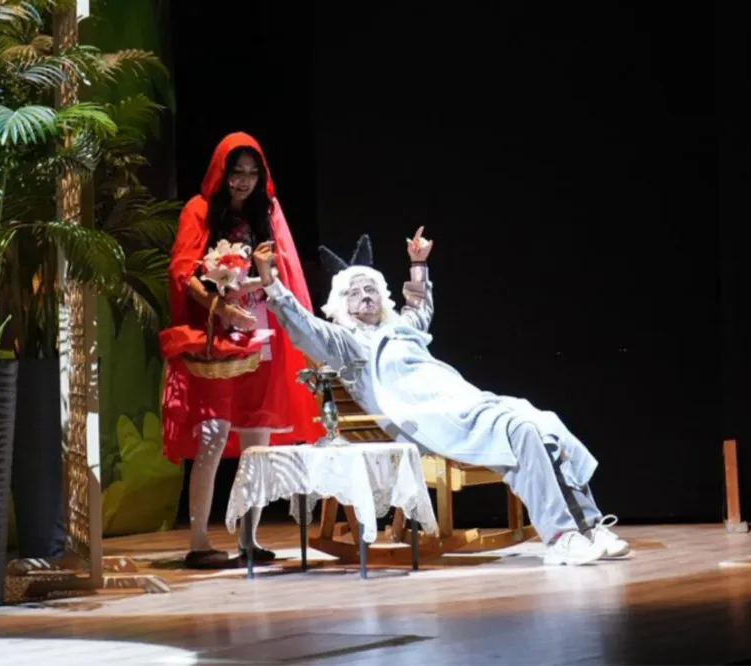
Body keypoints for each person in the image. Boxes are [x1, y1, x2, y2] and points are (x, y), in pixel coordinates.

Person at [250, 228, 631, 566]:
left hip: (461, 401)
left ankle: (589, 526)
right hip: (426, 419)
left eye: (371, 289)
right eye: (354, 292)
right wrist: (269, 279)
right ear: (340, 303)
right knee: (522, 430)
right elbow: (302, 325)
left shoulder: (401, 328)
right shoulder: (345, 343)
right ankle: (562, 537)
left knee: (541, 423)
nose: (365, 297)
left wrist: (418, 265)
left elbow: (419, 306)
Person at [160, 132, 322, 569]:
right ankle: (199, 542)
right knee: (212, 436)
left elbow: (282, 274)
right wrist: (220, 306)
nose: (244, 180)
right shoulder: (198, 210)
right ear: (222, 172)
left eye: (253, 172)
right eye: (237, 171)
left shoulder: (267, 212)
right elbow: (182, 274)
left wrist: (264, 282)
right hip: (216, 337)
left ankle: (250, 538)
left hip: (261, 334)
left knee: (258, 439)